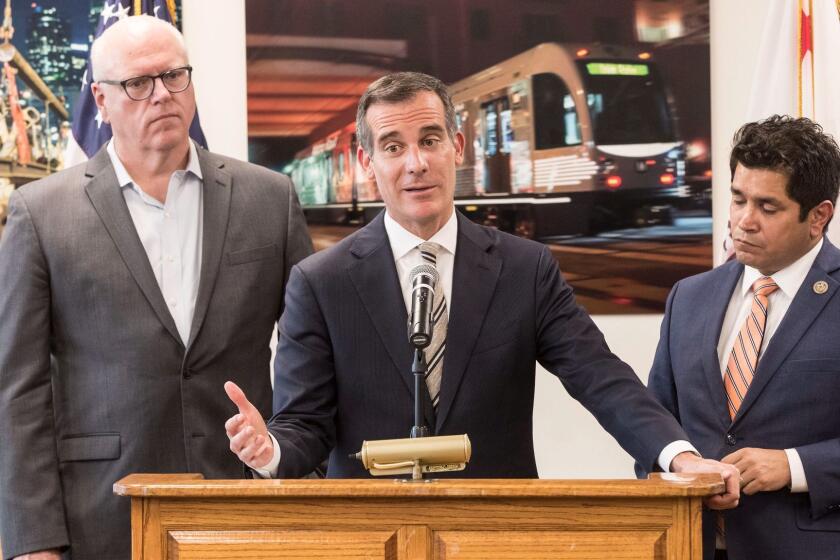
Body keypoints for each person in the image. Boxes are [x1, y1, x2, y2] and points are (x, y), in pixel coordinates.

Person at [224, 71, 738, 497]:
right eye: (393, 146)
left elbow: (600, 378)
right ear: (367, 163)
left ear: (458, 146)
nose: (415, 163)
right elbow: (305, 425)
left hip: (497, 526)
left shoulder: (525, 268)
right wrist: (269, 450)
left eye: (429, 140)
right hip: (368, 534)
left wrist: (680, 455)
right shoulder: (320, 282)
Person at [0, 16, 312, 560]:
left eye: (174, 76)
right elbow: (18, 390)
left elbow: (311, 353)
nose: (161, 95)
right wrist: (34, 538)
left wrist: (287, 451)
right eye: (138, 84)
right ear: (100, 97)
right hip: (101, 511)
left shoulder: (270, 199)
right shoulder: (41, 214)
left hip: (243, 501)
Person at [637, 115, 840, 560]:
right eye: (737, 199)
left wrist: (793, 466)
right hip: (689, 544)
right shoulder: (689, 297)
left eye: (768, 207)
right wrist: (677, 465)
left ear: (818, 216)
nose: (743, 221)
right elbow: (655, 425)